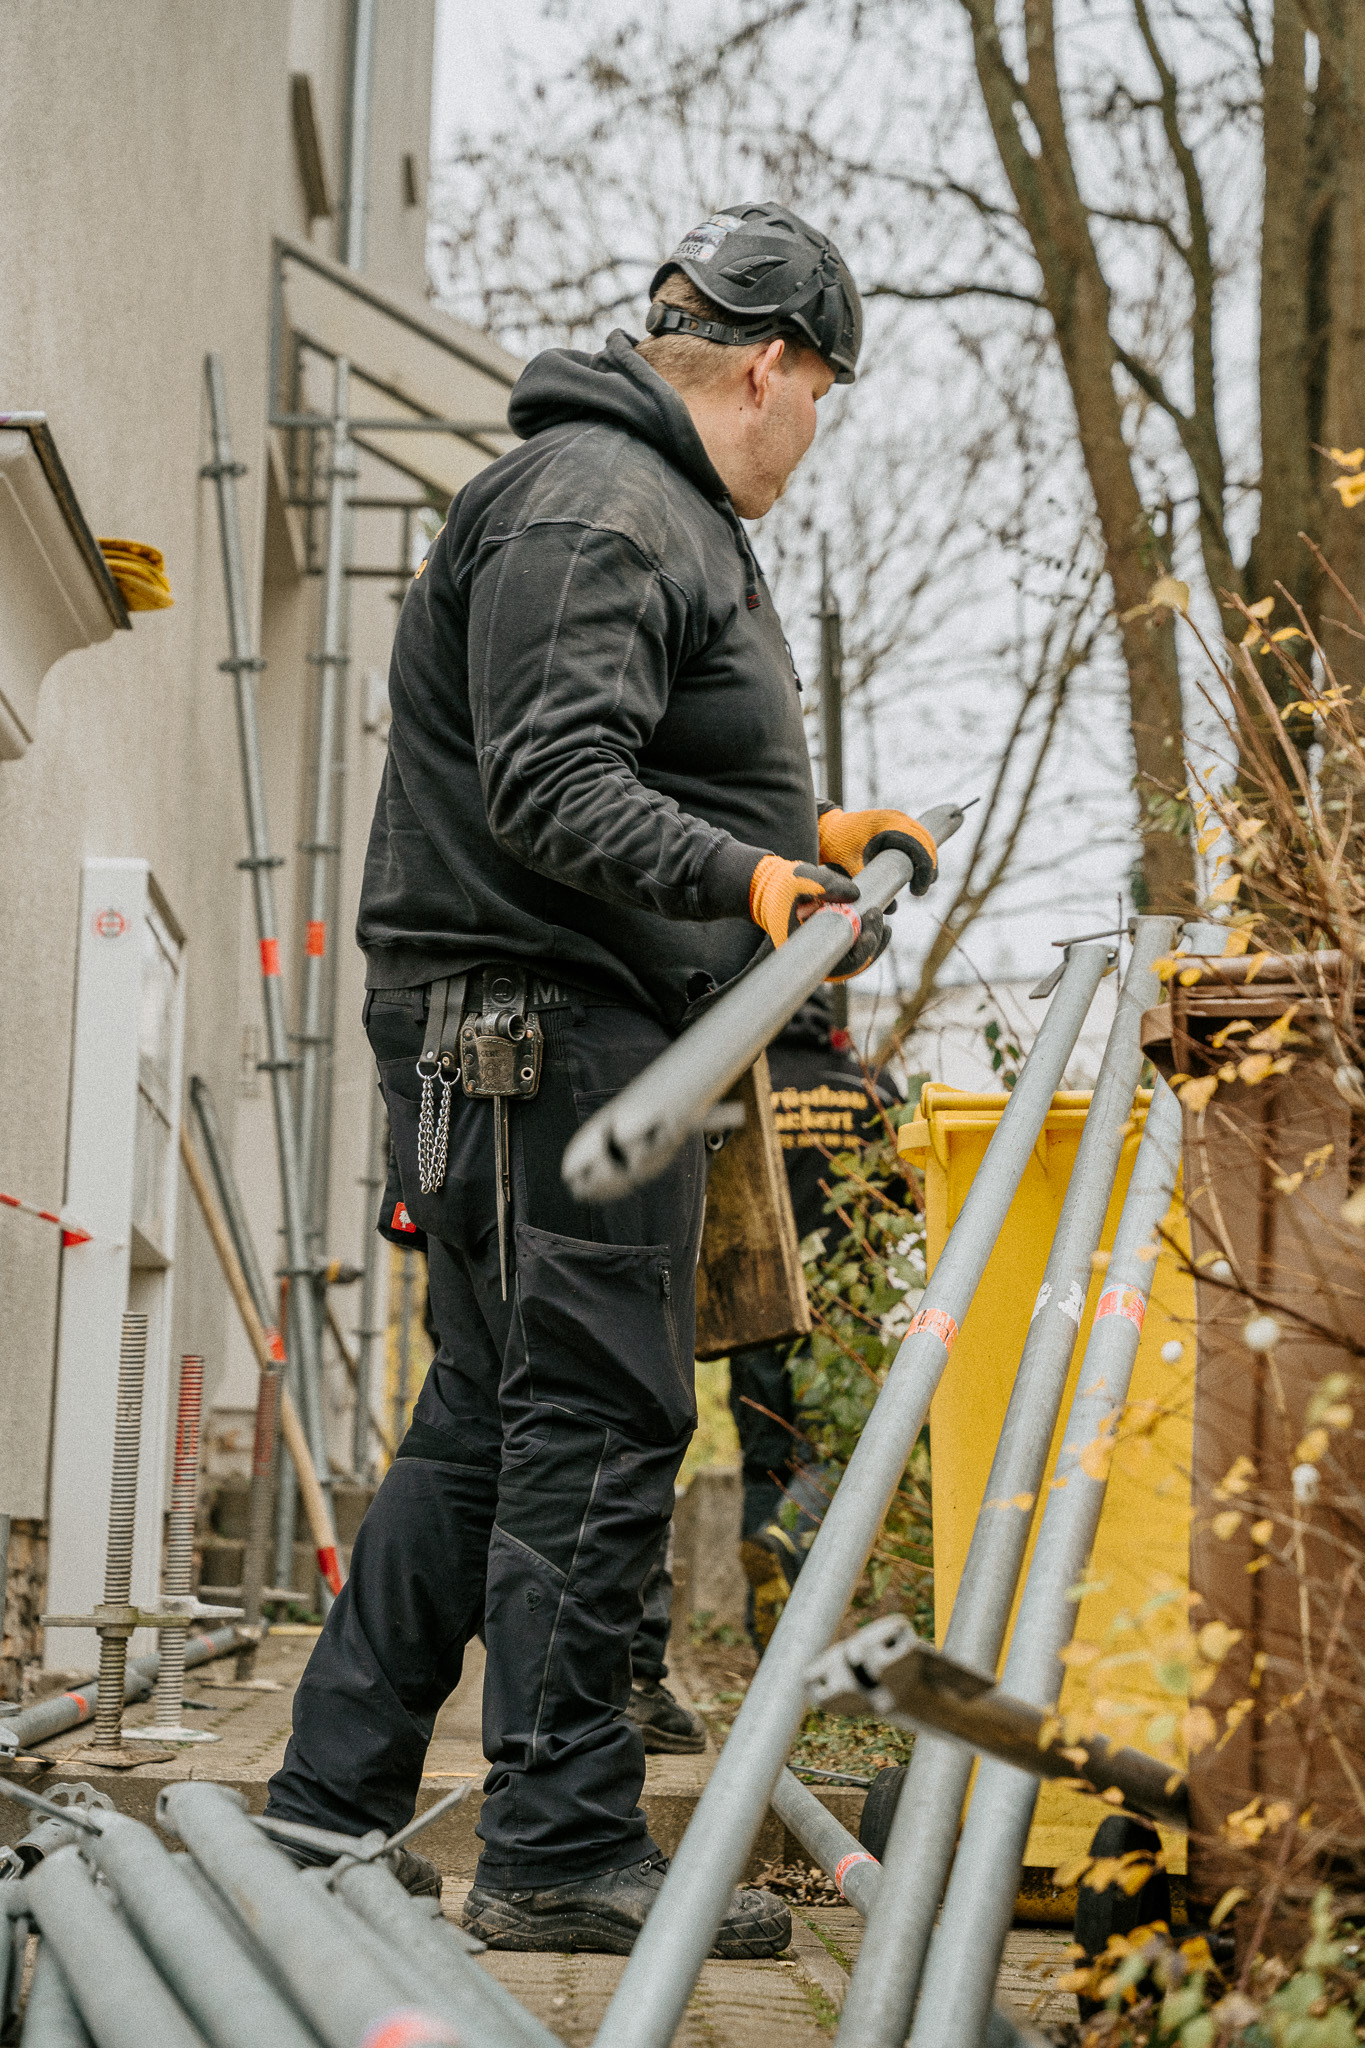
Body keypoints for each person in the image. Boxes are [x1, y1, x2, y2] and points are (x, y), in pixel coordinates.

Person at [265, 200, 939, 1957]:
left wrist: (804, 834)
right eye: (822, 401)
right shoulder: (607, 499)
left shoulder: (622, 498)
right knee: (596, 1416)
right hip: (548, 1035)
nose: (811, 435)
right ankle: (561, 1849)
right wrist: (754, 884)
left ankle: (324, 1805)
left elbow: (626, 751)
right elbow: (553, 778)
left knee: (490, 1422)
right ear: (777, 369)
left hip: (531, 1032)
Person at [728, 993, 903, 1648]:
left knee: (762, 1464)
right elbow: (902, 1192)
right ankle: (800, 1609)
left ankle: (765, 1639)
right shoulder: (869, 1086)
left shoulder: (739, 1082)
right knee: (831, 1456)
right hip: (846, 1308)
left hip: (755, 1302)